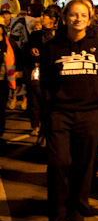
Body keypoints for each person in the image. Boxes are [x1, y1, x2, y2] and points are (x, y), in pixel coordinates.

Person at [38, 0, 98, 221]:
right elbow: (45, 81)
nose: (78, 19)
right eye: (73, 14)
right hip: (60, 114)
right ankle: (56, 214)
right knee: (58, 163)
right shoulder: (52, 47)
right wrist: (48, 111)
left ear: (89, 19)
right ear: (65, 18)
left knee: (84, 165)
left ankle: (76, 213)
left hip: (89, 114)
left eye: (83, 15)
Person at [26, 8, 59, 140]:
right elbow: (27, 48)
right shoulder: (35, 35)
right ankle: (36, 126)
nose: (41, 18)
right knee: (36, 99)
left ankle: (49, 129)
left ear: (52, 19)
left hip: (55, 71)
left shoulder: (59, 34)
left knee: (50, 102)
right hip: (38, 69)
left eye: (44, 16)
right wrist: (31, 50)